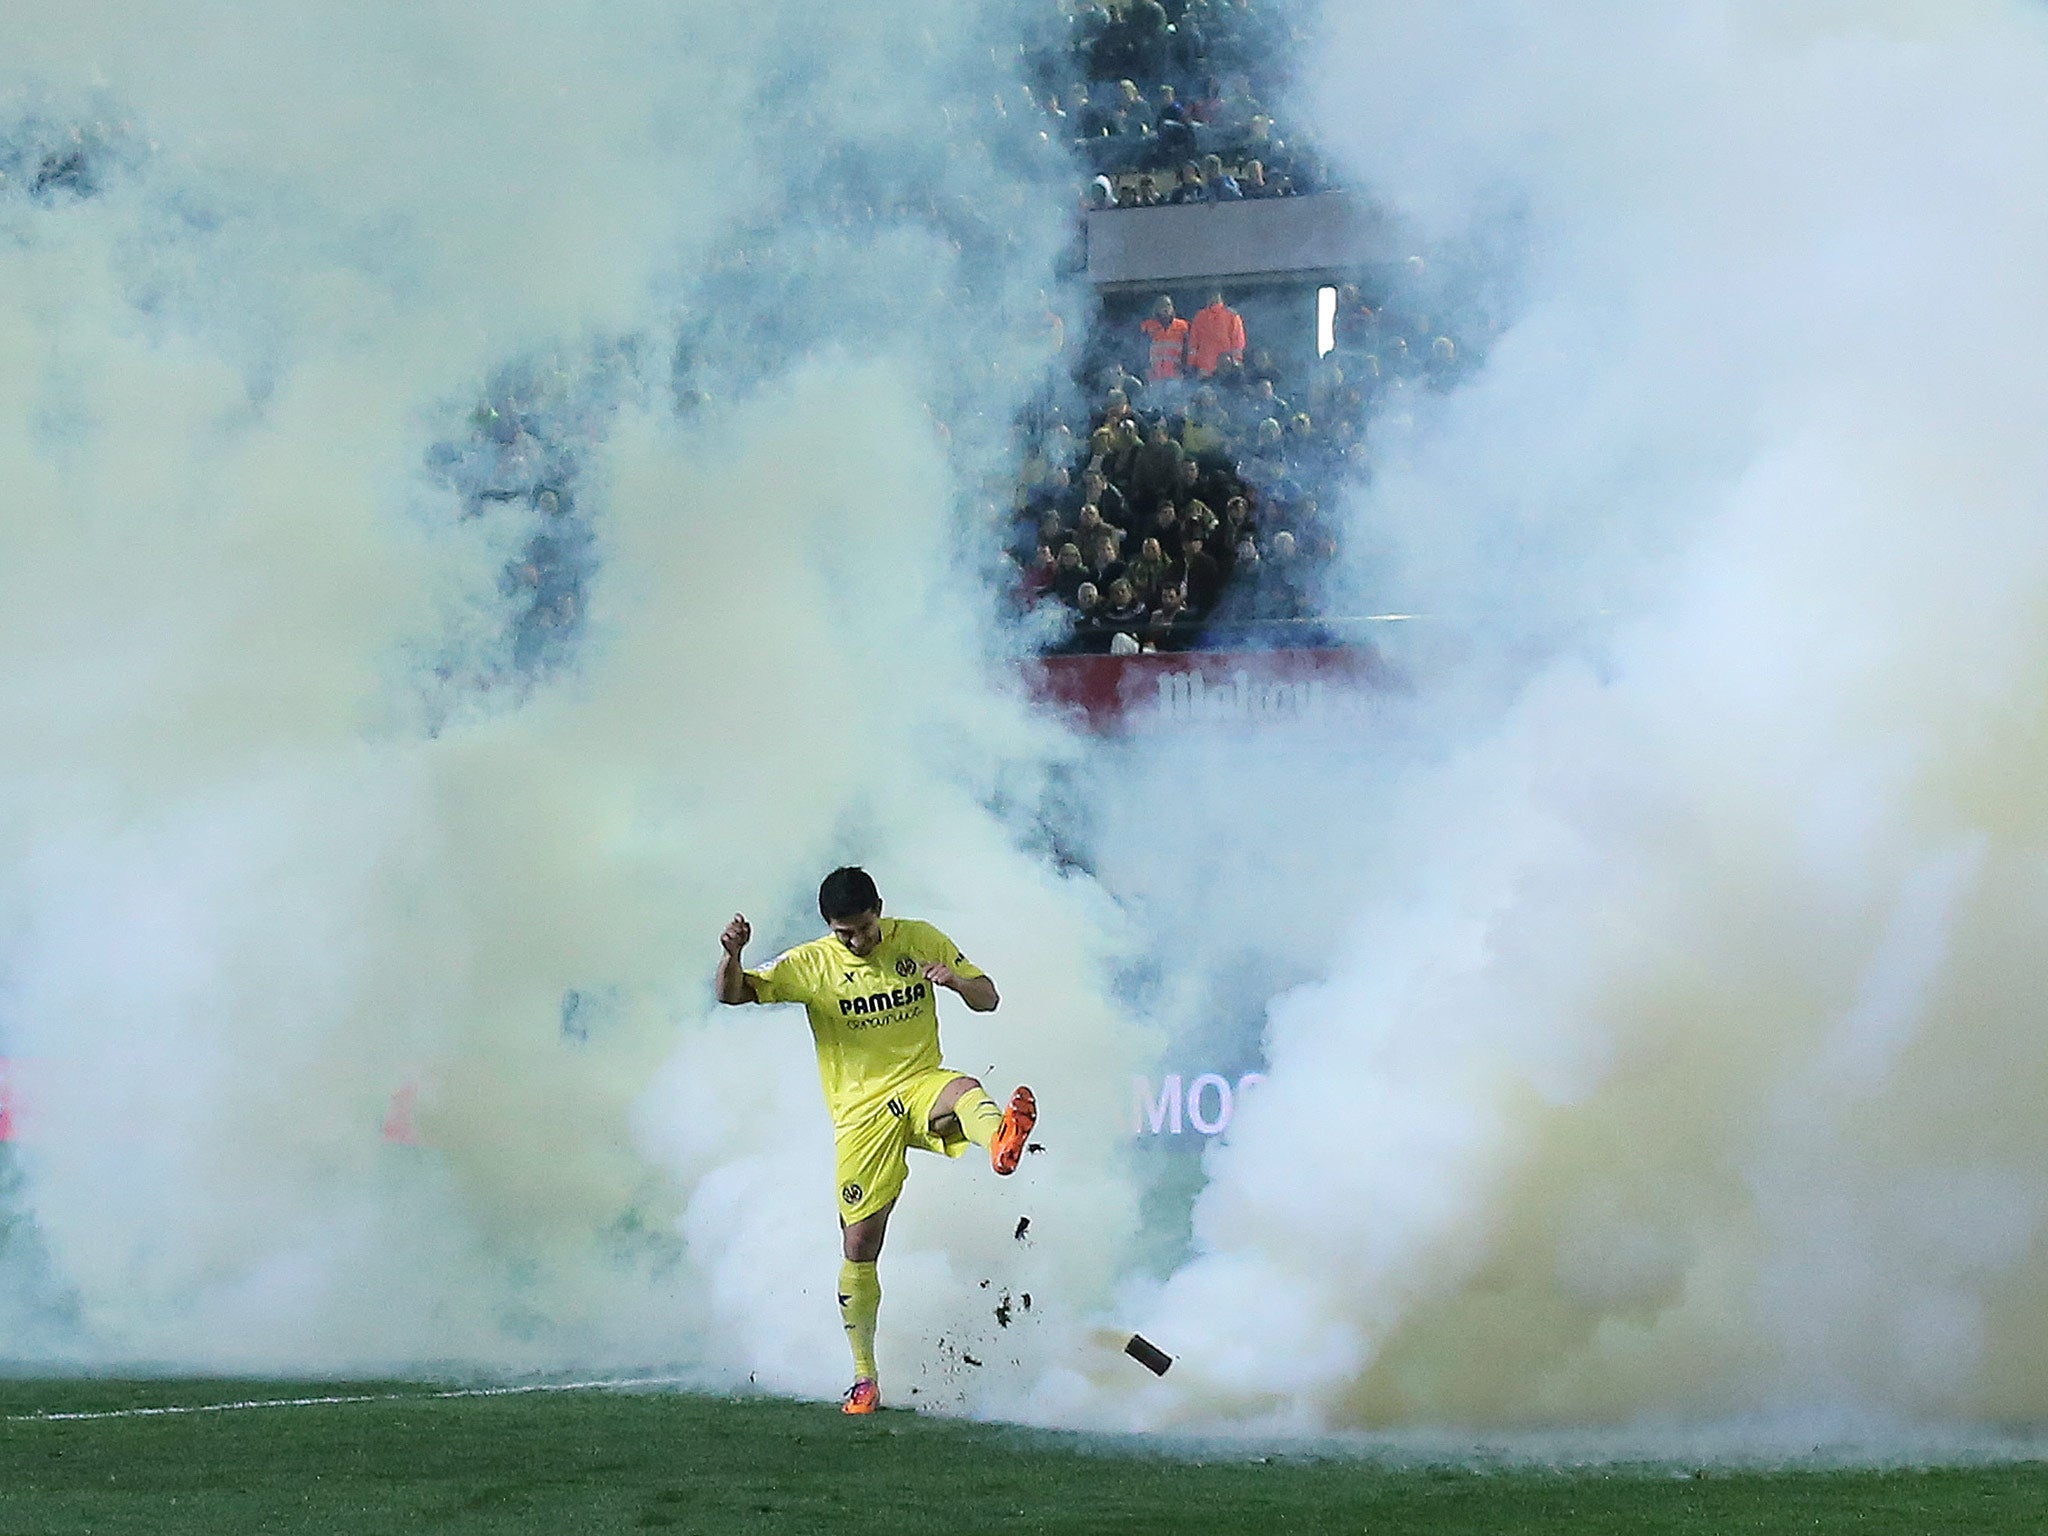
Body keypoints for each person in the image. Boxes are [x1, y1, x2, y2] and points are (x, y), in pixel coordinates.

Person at [717, 869, 1035, 1416]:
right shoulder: (811, 964)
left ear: (879, 911)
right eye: (844, 934)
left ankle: (1000, 1140)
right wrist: (732, 955)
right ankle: (864, 1378)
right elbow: (733, 995)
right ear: (829, 927)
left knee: (963, 1090)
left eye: (863, 929)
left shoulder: (919, 938)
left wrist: (956, 983)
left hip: (918, 1083)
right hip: (861, 1115)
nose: (856, 942)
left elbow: (990, 999)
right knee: (860, 1244)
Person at [1187, 290, 1247, 378]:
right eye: (1211, 296)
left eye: (1214, 296)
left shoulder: (1232, 315)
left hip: (1222, 368)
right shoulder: (1200, 316)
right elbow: (1193, 343)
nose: (1213, 299)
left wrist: (1236, 362)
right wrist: (1192, 364)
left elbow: (1237, 342)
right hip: (1207, 368)